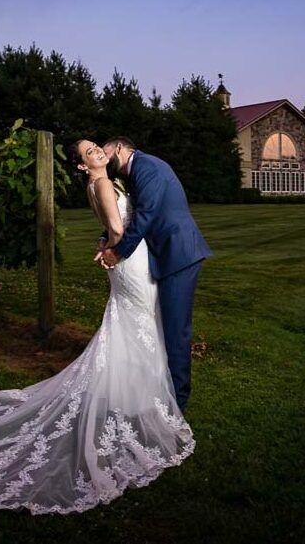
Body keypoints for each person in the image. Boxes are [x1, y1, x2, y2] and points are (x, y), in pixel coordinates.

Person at [0, 139, 194, 515]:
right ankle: (151, 403)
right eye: (88, 152)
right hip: (132, 263)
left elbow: (111, 225)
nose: (96, 151)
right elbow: (116, 226)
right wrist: (113, 248)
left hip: (128, 264)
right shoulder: (105, 184)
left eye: (96, 146)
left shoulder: (97, 185)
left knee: (133, 327)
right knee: (142, 325)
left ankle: (137, 398)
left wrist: (106, 243)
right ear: (82, 166)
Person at [96, 137, 212, 412]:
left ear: (121, 148)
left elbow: (145, 216)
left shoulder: (147, 167)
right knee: (164, 326)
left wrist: (118, 252)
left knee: (176, 331)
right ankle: (162, 391)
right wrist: (105, 239)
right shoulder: (135, 173)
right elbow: (130, 215)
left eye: (105, 150)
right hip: (166, 254)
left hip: (179, 255)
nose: (103, 155)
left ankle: (178, 404)